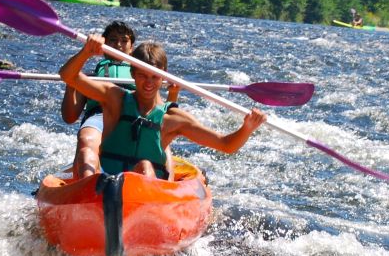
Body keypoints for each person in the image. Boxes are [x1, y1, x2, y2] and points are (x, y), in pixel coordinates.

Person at [59, 33, 266, 180]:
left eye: (154, 77)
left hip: (148, 190)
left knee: (145, 166)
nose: (148, 83)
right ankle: (86, 204)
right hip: (106, 183)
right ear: (132, 74)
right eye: (142, 75)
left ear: (164, 76)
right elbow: (67, 76)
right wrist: (86, 52)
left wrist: (247, 128)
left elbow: (226, 145)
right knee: (86, 155)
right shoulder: (115, 98)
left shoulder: (173, 119)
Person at [61, 21, 137, 178]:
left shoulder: (142, 77)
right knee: (86, 139)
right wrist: (71, 84)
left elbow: (160, 112)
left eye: (124, 40)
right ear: (104, 45)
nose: (118, 45)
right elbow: (69, 117)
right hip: (99, 116)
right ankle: (88, 183)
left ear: (131, 48)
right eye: (113, 40)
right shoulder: (90, 78)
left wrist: (173, 92)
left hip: (132, 117)